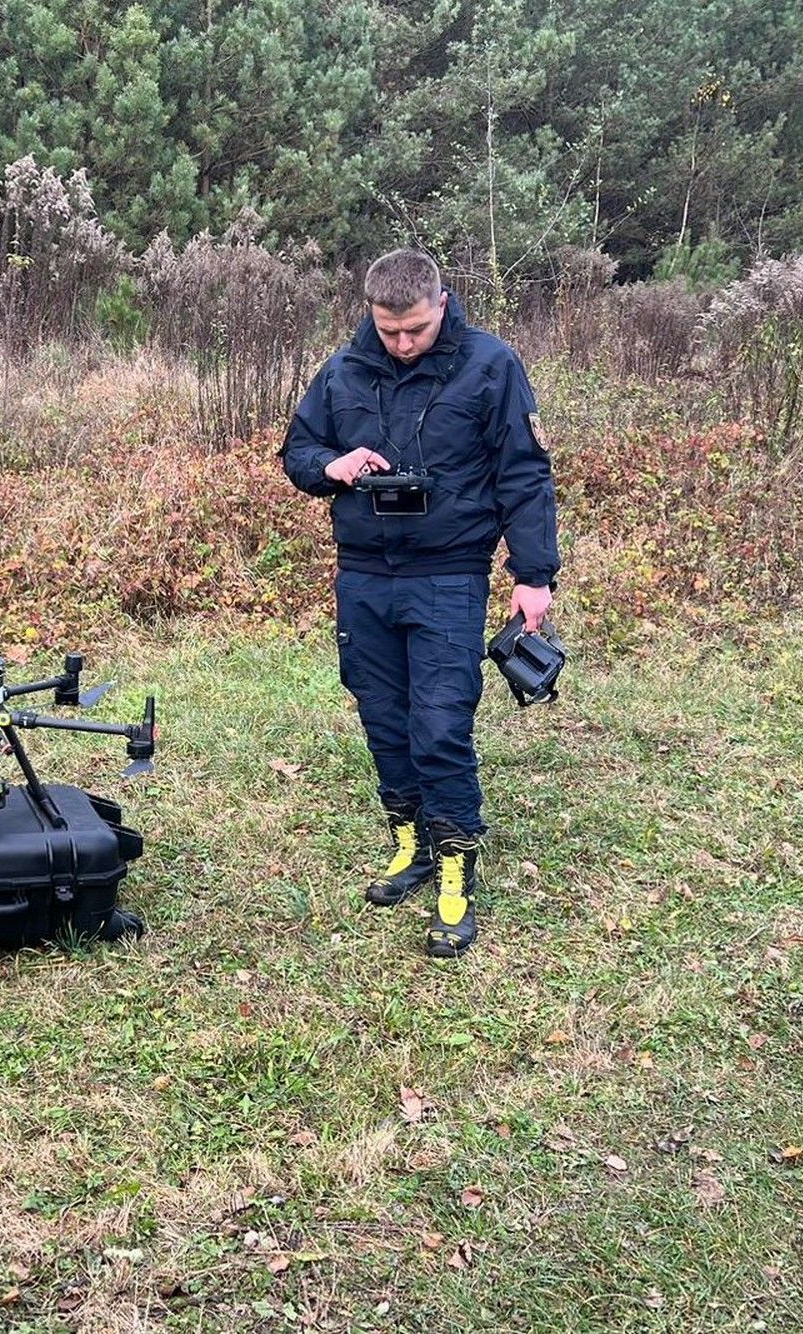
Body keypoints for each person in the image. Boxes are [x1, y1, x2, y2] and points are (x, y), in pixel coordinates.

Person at [277, 249, 558, 958]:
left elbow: (524, 474)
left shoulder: (492, 366)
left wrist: (533, 573)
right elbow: (298, 450)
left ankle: (456, 868)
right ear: (371, 311)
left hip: (450, 575)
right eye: (390, 330)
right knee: (384, 718)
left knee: (439, 723)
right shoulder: (342, 370)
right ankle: (412, 846)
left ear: (441, 304)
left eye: (417, 331)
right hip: (365, 575)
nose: (403, 344)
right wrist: (330, 467)